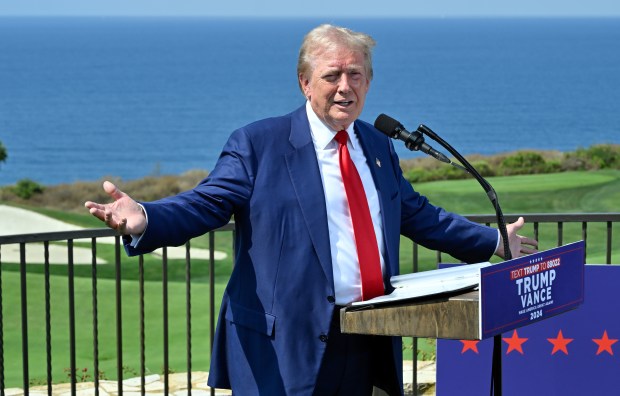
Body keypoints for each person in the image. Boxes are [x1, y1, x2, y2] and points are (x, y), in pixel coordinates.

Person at [85, 24, 537, 396]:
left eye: (356, 75)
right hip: (284, 345)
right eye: (332, 75)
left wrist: (496, 241)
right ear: (304, 82)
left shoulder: (378, 145)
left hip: (370, 335)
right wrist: (146, 217)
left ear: (369, 81)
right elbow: (206, 203)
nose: (345, 87)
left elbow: (417, 213)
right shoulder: (258, 144)